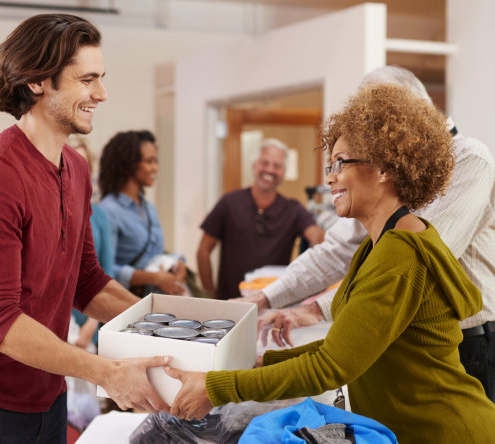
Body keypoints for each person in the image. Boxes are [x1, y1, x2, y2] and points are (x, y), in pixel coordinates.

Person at [165, 84, 495, 444]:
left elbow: (330, 367)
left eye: (341, 163)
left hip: (448, 431)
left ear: (384, 167)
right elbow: (337, 347)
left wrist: (217, 388)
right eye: (330, 164)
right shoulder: (380, 244)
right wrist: (257, 364)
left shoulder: (400, 252)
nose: (330, 177)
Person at [0, 15, 170, 444]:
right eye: (87, 79)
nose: (102, 93)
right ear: (39, 81)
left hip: (48, 394)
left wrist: (163, 327)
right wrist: (109, 373)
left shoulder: (74, 167)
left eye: (101, 78)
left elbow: (87, 281)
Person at [243, 66, 495, 401]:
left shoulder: (468, 158)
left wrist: (318, 310)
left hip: (471, 339)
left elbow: (415, 264)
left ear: (417, 109)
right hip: (409, 337)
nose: (333, 178)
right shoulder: (381, 181)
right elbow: (336, 250)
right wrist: (266, 298)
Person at [197, 138, 324, 300]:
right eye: (265, 163)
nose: (270, 170)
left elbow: (317, 237)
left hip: (273, 304)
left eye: (277, 166)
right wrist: (209, 295)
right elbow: (203, 250)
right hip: (230, 303)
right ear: (254, 166)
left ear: (283, 172)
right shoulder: (229, 203)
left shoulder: (294, 209)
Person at [99, 130, 187, 296]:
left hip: (156, 300)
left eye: (156, 160)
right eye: (149, 161)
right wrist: (153, 278)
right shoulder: (108, 211)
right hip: (128, 302)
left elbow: (155, 256)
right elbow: (104, 270)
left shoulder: (149, 208)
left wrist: (177, 265)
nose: (156, 167)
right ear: (128, 163)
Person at [67, 133, 113, 349]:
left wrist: (90, 327)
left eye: (82, 165)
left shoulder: (100, 216)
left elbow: (105, 275)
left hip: (88, 325)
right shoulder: (44, 213)